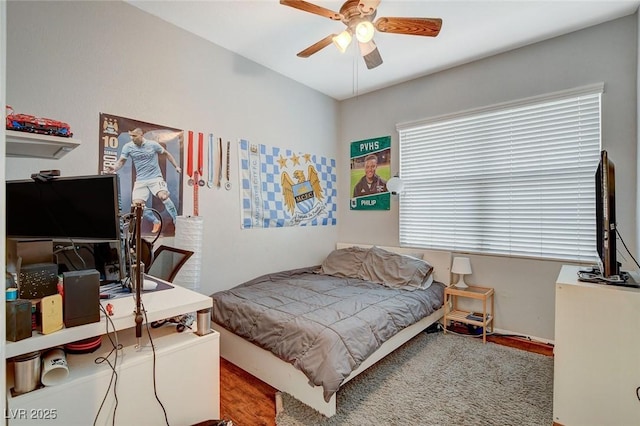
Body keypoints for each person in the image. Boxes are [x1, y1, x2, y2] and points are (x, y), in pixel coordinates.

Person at [108, 128, 182, 233]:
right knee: (137, 206)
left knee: (163, 196)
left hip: (155, 178)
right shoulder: (128, 147)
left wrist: (176, 166)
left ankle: (176, 220)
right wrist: (114, 168)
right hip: (141, 180)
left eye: (134, 136)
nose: (132, 138)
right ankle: (155, 221)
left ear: (141, 135)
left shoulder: (152, 145)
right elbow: (121, 161)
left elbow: (167, 154)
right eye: (131, 136)